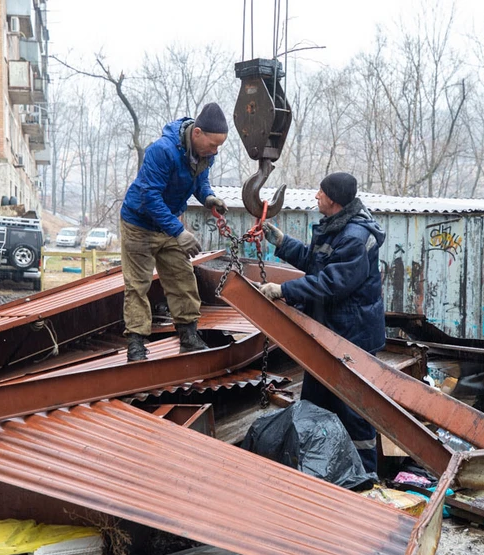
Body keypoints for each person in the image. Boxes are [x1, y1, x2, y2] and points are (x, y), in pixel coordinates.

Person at [258, 172, 386, 475]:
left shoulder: (354, 238)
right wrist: (283, 243)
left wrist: (283, 290)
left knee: (354, 411)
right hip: (328, 333)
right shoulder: (337, 228)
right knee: (315, 405)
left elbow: (332, 284)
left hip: (351, 339)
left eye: (321, 192)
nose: (316, 196)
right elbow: (318, 263)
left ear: (334, 200)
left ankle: (365, 478)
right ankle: (322, 471)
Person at [120, 103, 230, 362]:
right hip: (139, 223)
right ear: (197, 133)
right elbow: (150, 197)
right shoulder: (162, 151)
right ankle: (136, 345)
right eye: (213, 145)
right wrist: (178, 231)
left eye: (218, 147)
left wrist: (209, 198)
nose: (215, 151)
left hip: (168, 224)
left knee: (182, 278)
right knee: (138, 285)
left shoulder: (205, 154)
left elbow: (200, 180)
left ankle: (189, 337)